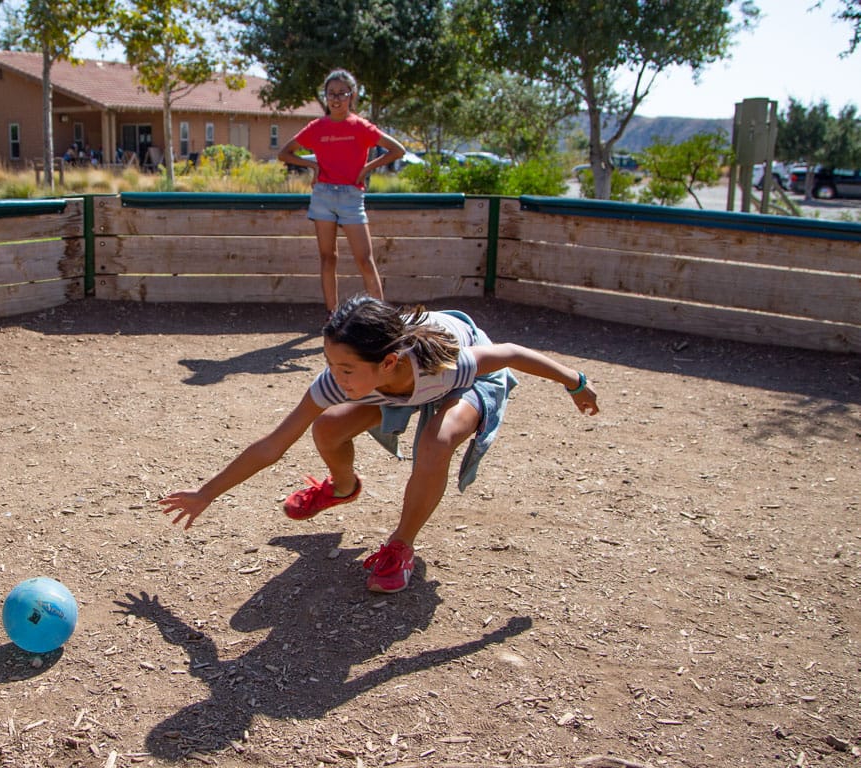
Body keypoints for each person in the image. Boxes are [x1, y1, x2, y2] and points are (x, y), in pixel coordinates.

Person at [160, 296, 600, 594]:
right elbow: (273, 444)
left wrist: (575, 383)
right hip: (398, 387)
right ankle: (342, 487)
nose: (335, 375)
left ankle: (400, 547)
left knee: (437, 440)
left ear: (387, 362)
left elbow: (510, 353)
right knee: (327, 428)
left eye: (346, 368)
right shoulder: (344, 379)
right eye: (330, 363)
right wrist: (206, 493)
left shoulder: (449, 365)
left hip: (452, 384)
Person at [278, 70, 405, 313]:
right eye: (331, 94)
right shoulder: (317, 127)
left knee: (364, 259)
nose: (336, 99)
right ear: (325, 97)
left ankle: (382, 317)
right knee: (328, 257)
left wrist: (368, 167)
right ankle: (332, 316)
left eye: (342, 93)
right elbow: (284, 153)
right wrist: (313, 165)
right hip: (323, 196)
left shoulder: (361, 126)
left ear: (351, 95)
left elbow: (397, 150)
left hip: (351, 197)